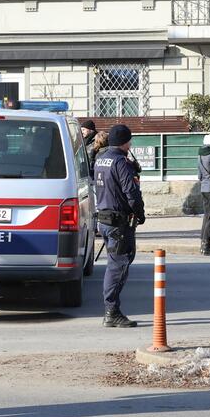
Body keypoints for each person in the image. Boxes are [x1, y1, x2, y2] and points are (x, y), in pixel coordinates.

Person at [91, 123, 146, 327]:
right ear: (125, 142)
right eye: (129, 140)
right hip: (118, 222)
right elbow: (131, 193)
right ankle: (111, 311)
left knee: (117, 263)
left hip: (105, 218)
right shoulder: (120, 162)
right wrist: (140, 213)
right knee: (118, 265)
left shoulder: (101, 159)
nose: (130, 144)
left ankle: (111, 309)